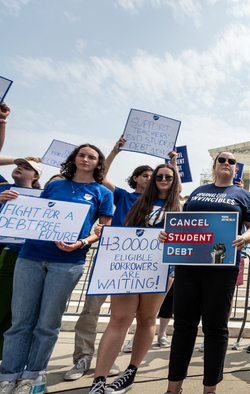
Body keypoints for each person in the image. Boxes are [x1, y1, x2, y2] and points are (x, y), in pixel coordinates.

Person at [0, 144, 113, 394]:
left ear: (98, 163)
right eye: (81, 154)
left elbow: (102, 230)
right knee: (20, 322)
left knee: (47, 324)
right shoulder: (54, 185)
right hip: (30, 256)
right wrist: (9, 200)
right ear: (73, 158)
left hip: (68, 263)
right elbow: (37, 213)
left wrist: (82, 242)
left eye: (91, 157)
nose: (85, 159)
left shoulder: (103, 193)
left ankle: (34, 376)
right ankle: (8, 376)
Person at [159, 151, 250, 394]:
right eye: (222, 160)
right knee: (184, 326)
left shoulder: (243, 195)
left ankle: (210, 390)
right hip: (189, 266)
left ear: (236, 169)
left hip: (221, 267)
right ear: (214, 166)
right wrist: (168, 234)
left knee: (215, 328)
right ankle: (173, 389)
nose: (227, 163)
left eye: (231, 162)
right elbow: (185, 221)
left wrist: (244, 238)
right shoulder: (198, 191)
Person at [65, 137, 165, 382]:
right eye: (145, 175)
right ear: (135, 179)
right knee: (92, 310)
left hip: (142, 266)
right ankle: (83, 358)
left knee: (127, 318)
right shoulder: (121, 196)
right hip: (112, 261)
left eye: (154, 176)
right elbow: (101, 176)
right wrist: (114, 151)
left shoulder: (164, 205)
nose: (150, 179)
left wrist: (172, 162)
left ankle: (107, 362)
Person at [88, 163, 181, 394]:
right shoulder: (131, 200)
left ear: (175, 180)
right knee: (119, 318)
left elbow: (184, 241)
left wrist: (170, 238)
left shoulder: (180, 208)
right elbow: (102, 178)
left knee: (147, 318)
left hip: (160, 268)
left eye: (168, 176)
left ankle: (129, 373)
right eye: (158, 176)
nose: (162, 179)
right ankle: (98, 380)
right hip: (126, 265)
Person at [0, 157, 43, 359]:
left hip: (29, 256)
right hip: (6, 253)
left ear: (35, 177)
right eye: (18, 165)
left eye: (26, 168)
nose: (19, 168)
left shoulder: (44, 198)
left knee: (17, 312)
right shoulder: (2, 187)